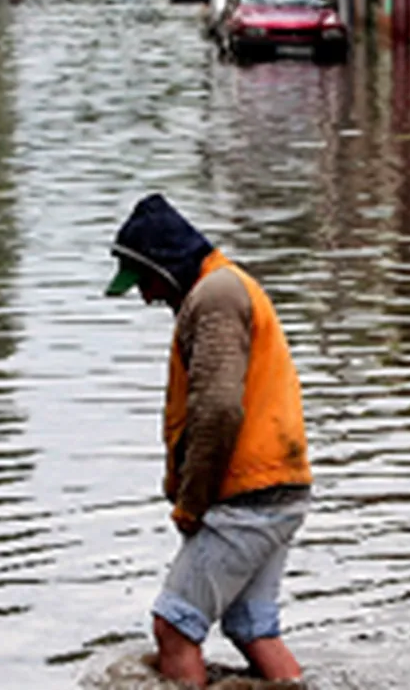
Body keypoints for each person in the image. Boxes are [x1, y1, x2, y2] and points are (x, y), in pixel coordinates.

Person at [104, 194, 312, 687]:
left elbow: (218, 411)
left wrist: (191, 504)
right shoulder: (225, 288)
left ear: (166, 266)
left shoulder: (215, 296)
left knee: (173, 628)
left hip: (249, 494)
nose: (146, 297)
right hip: (279, 487)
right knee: (252, 628)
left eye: (146, 282)